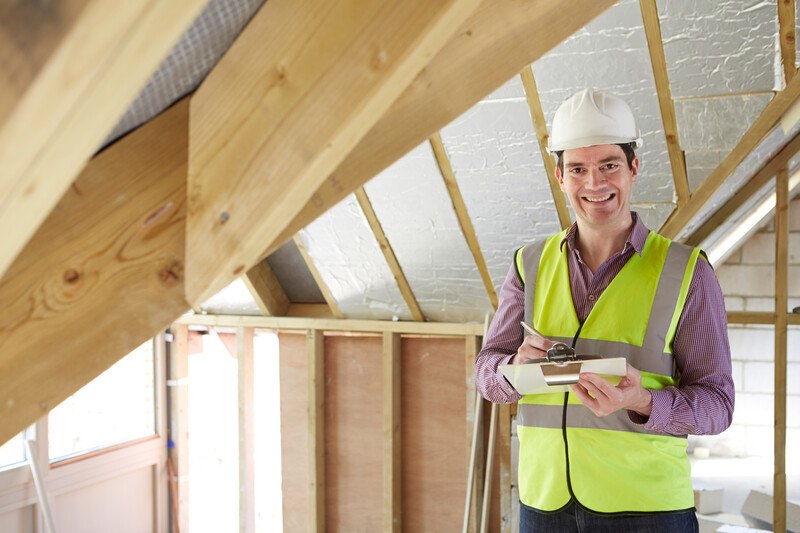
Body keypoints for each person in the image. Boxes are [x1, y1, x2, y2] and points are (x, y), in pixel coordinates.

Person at [475, 88, 734, 532]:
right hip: (543, 504)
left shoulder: (685, 272)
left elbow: (718, 405)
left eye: (608, 165)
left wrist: (643, 402)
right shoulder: (529, 265)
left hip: (646, 510)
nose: (594, 183)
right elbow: (485, 371)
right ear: (560, 178)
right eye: (577, 169)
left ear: (633, 168)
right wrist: (512, 368)